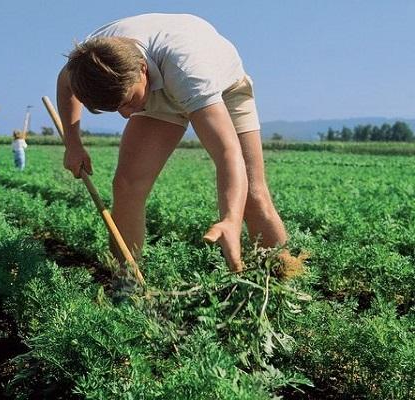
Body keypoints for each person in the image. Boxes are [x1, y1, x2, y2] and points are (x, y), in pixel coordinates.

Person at [56, 13, 293, 273]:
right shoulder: (89, 63)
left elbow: (227, 151)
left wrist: (230, 220)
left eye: (127, 103)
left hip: (224, 88)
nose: (126, 115)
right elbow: (65, 81)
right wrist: (73, 143)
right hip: (154, 86)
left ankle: (284, 278)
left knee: (252, 194)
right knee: (126, 186)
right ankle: (126, 281)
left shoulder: (188, 71)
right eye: (116, 110)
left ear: (142, 70)